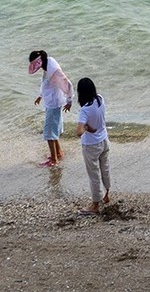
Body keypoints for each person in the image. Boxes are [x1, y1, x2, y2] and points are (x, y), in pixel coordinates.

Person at [75, 77, 112, 214]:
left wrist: (86, 128)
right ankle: (107, 195)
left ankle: (95, 205)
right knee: (105, 169)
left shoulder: (84, 110)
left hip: (91, 145)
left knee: (94, 175)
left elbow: (78, 132)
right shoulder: (100, 99)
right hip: (104, 140)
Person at [29, 51, 72, 167]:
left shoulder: (54, 70)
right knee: (53, 129)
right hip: (50, 103)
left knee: (49, 132)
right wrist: (40, 96)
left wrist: (69, 101)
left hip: (54, 104)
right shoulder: (47, 65)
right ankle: (58, 153)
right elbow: (45, 83)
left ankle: (54, 160)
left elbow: (67, 83)